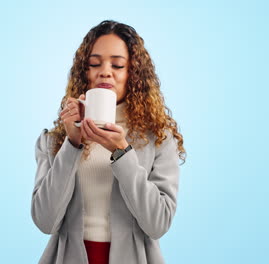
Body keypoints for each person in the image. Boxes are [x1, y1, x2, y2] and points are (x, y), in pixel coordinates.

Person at [31, 20, 186, 264]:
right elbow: (45, 221)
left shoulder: (158, 138)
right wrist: (72, 144)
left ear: (133, 73)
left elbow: (157, 224)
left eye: (117, 64)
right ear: (85, 72)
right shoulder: (54, 141)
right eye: (95, 63)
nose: (105, 71)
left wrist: (122, 152)